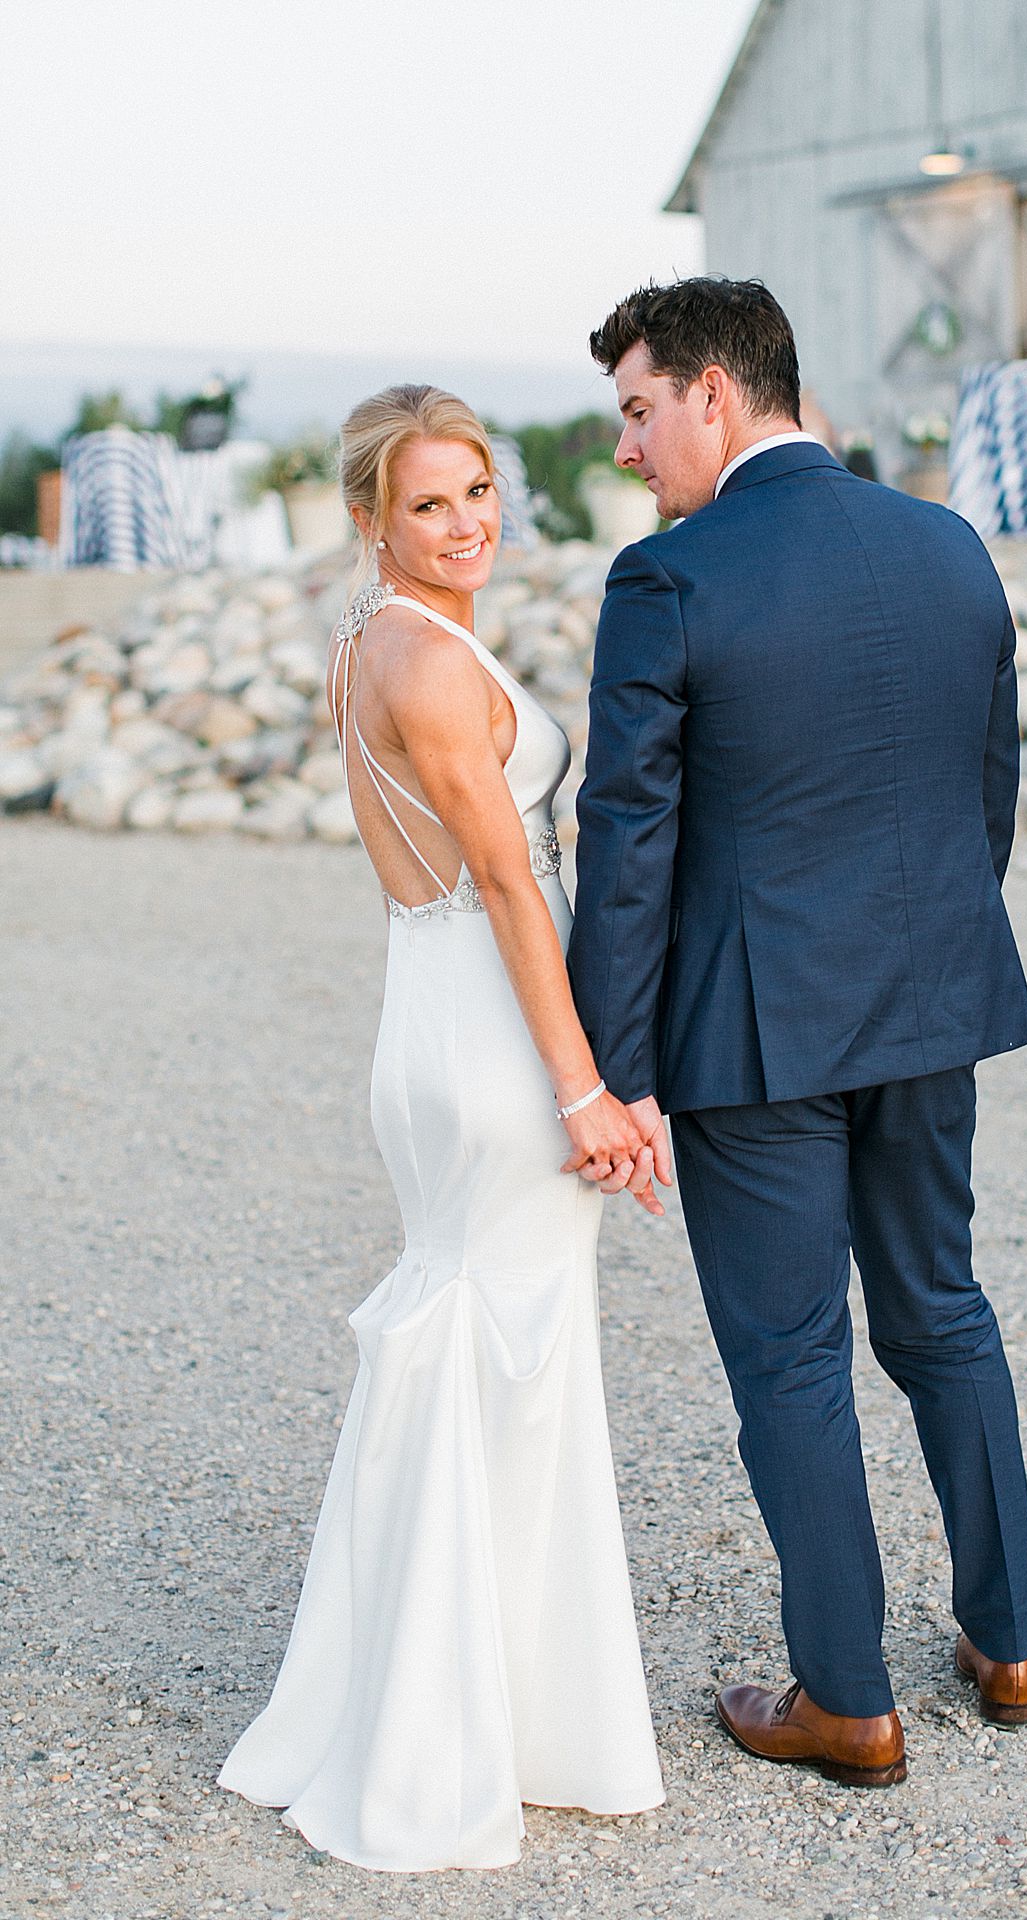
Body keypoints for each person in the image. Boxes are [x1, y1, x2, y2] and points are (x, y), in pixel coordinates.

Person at [568, 278, 1027, 1790]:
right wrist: (927, 955)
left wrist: (608, 1070)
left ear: (716, 392)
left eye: (640, 410)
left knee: (790, 1358)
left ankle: (847, 1700)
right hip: (929, 1005)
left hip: (757, 1035)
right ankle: (1010, 1642)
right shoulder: (948, 545)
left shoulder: (672, 580)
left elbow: (627, 841)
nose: (633, 450)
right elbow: (988, 801)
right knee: (942, 1311)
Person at [218, 384, 664, 1870]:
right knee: (501, 1369)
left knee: (471, 1353)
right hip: (485, 1030)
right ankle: (434, 1737)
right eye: (430, 503)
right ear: (371, 518)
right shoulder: (423, 661)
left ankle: (461, 1702)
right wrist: (586, 1086)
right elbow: (514, 884)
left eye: (479, 492)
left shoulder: (371, 640)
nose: (468, 523)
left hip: (427, 1008)